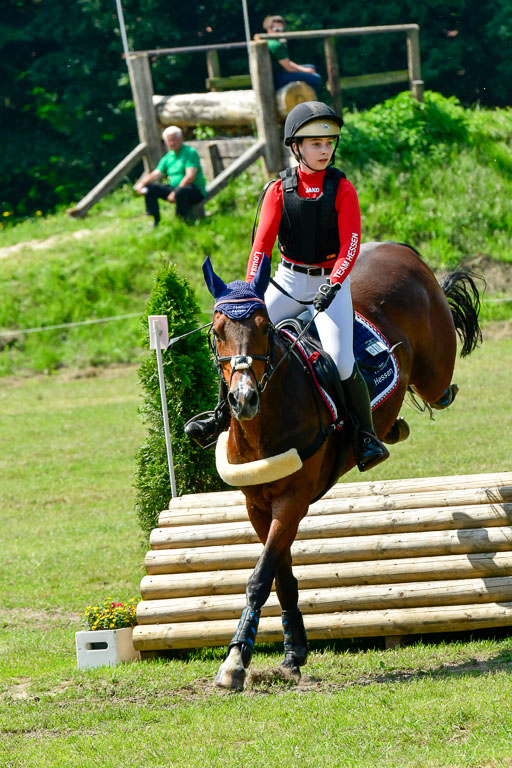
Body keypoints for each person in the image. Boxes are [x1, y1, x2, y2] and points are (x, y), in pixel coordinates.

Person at [186, 101, 389, 473]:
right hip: (287, 280)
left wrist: (336, 282)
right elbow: (261, 246)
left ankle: (365, 436)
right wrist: (250, 291)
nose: (324, 149)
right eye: (315, 143)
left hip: (330, 283)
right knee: (240, 336)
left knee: (342, 361)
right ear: (296, 146)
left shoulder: (343, 189)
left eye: (329, 143)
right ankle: (219, 415)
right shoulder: (278, 190)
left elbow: (352, 243)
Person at [133, 126, 207, 226]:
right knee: (150, 188)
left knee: (181, 192)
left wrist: (175, 193)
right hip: (175, 188)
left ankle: (181, 221)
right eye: (169, 140)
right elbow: (156, 174)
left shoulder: (190, 153)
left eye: (174, 139)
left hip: (194, 190)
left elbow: (190, 176)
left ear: (181, 138)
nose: (172, 143)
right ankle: (155, 220)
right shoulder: (168, 157)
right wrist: (142, 184)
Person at [262, 15, 322, 94]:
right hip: (277, 78)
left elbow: (286, 62)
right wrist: (306, 71)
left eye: (281, 29)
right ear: (269, 30)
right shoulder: (277, 45)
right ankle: (309, 101)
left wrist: (306, 70)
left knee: (311, 67)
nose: (280, 32)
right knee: (316, 78)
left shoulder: (270, 41)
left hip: (275, 75)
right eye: (276, 30)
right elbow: (288, 68)